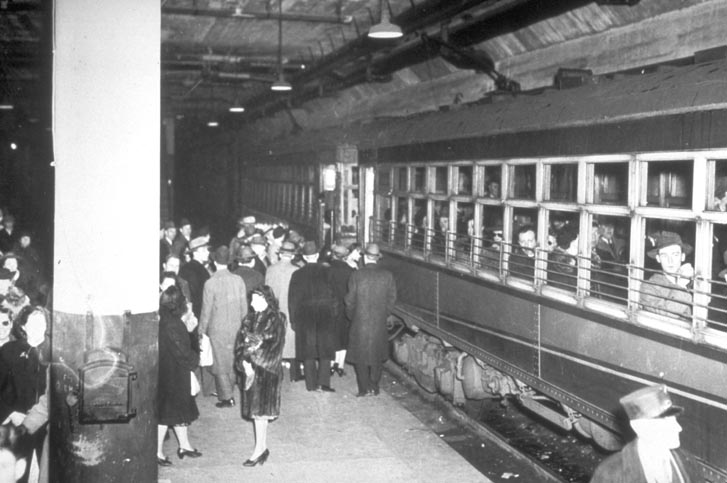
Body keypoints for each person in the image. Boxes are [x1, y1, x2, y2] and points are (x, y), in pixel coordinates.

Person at [590, 384, 701, 483]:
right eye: (665, 422)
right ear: (639, 427)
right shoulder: (611, 472)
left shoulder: (687, 461)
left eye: (675, 420)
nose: (678, 428)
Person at [234, 286, 286, 467]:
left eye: (257, 300)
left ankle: (259, 450)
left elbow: (274, 347)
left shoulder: (277, 319)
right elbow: (240, 344)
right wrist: (244, 363)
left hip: (267, 373)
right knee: (257, 413)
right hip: (251, 371)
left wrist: (252, 360)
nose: (252, 303)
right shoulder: (249, 319)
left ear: (267, 300)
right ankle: (262, 448)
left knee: (261, 413)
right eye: (252, 299)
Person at [0, 303, 50, 483]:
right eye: (33, 322)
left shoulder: (53, 353)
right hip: (16, 425)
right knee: (15, 474)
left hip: (44, 426)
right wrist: (10, 413)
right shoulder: (9, 351)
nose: (39, 327)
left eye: (42, 322)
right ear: (23, 326)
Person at [156, 285, 202, 466]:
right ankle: (157, 452)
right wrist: (195, 360)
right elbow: (182, 351)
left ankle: (185, 446)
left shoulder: (166, 319)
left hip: (170, 372)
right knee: (166, 415)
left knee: (178, 412)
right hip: (174, 375)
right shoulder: (173, 324)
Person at [344, 243, 397, 397]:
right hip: (379, 322)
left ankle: (363, 389)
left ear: (365, 257)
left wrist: (352, 316)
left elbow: (349, 301)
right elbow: (392, 299)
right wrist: (384, 314)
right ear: (377, 258)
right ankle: (374, 386)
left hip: (359, 322)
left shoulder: (356, 275)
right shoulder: (388, 276)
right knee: (376, 355)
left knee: (360, 357)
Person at [199, 245, 248, 408]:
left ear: (214, 261)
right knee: (233, 359)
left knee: (219, 363)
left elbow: (206, 310)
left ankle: (227, 397)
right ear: (229, 262)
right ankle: (231, 390)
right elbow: (244, 307)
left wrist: (201, 331)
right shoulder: (238, 280)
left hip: (217, 329)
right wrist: (245, 327)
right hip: (236, 327)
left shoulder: (210, 283)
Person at [288, 241, 338, 392]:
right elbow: (334, 296)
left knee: (307, 350)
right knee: (325, 349)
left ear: (303, 257)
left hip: (304, 317)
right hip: (325, 315)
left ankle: (311, 384)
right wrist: (333, 314)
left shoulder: (297, 274)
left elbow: (293, 300)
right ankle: (324, 383)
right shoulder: (328, 272)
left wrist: (293, 320)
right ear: (317, 255)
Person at [264, 241, 300, 381]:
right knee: (291, 342)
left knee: (276, 342)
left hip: (275, 310)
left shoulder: (270, 269)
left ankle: (276, 373)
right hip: (290, 310)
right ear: (292, 255)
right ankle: (294, 374)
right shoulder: (296, 270)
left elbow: (267, 291)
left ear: (280, 254)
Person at [639, 232, 693, 319]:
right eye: (664, 256)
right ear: (658, 258)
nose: (670, 261)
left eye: (675, 255)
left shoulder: (693, 283)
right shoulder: (648, 287)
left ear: (683, 257)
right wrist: (680, 286)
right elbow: (665, 317)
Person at [328, 244, 353, 377]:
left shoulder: (327, 270)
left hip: (331, 308)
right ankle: (341, 365)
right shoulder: (351, 271)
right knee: (343, 337)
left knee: (332, 336)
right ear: (345, 257)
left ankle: (331, 365)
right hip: (345, 309)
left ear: (333, 255)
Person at [547, 225, 579, 292]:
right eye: (549, 243)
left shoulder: (560, 257)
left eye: (555, 243)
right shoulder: (552, 259)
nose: (553, 246)